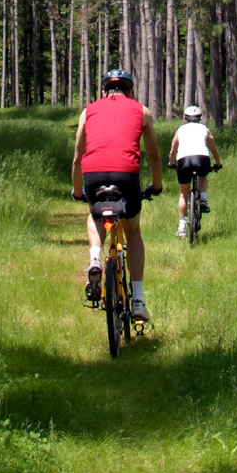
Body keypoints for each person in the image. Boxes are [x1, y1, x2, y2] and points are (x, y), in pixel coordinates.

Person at [71, 68, 163, 322]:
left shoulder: (88, 111)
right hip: (127, 176)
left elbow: (78, 157)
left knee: (94, 214)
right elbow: (154, 156)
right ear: (130, 91)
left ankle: (94, 258)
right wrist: (157, 186)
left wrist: (78, 191)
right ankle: (138, 300)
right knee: (133, 231)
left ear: (103, 91)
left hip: (94, 175)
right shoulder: (142, 111)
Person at [169, 104, 220, 238]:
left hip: (183, 161)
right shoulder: (205, 129)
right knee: (203, 176)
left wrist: (171, 163)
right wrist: (218, 163)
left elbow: (173, 148)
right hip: (202, 159)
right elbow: (214, 149)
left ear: (186, 118)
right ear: (199, 118)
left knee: (183, 194)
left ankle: (181, 227)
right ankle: (202, 198)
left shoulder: (180, 130)